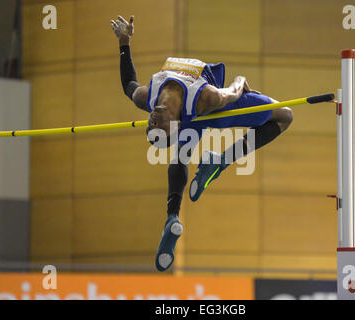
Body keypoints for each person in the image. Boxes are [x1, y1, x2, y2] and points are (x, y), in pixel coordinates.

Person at [111, 15, 293, 272]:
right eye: (158, 129)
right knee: (285, 116)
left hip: (204, 107)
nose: (152, 123)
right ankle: (203, 181)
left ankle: (194, 191)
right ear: (175, 128)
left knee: (182, 156)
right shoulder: (208, 98)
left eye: (150, 127)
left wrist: (123, 41)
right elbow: (230, 93)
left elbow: (128, 84)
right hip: (212, 110)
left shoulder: (147, 97)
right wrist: (240, 79)